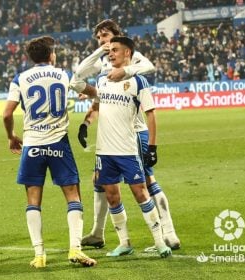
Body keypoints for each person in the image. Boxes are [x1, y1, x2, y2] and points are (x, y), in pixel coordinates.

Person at [71, 19, 180, 251]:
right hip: (111, 137)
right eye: (99, 38)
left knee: (146, 182)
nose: (102, 41)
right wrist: (86, 122)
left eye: (106, 36)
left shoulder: (131, 57)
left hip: (134, 132)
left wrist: (125, 71)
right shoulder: (104, 62)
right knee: (100, 181)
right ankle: (99, 233)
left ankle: (168, 234)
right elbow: (99, 96)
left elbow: (149, 67)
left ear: (117, 36)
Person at [3, 35, 97, 268]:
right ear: (51, 55)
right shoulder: (63, 74)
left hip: (33, 145)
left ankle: (39, 255)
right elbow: (86, 91)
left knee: (33, 199)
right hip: (58, 143)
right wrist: (86, 92)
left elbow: (6, 114)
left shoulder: (20, 78)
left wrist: (11, 137)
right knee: (73, 195)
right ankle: (75, 248)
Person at [89, 36, 171, 258]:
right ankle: (124, 242)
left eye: (115, 50)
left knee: (140, 193)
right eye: (109, 51)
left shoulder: (138, 81)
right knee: (112, 196)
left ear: (128, 53)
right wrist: (87, 121)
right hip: (104, 152)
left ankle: (160, 241)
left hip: (127, 149)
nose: (111, 53)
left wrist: (152, 147)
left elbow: (150, 114)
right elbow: (96, 104)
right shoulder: (101, 79)